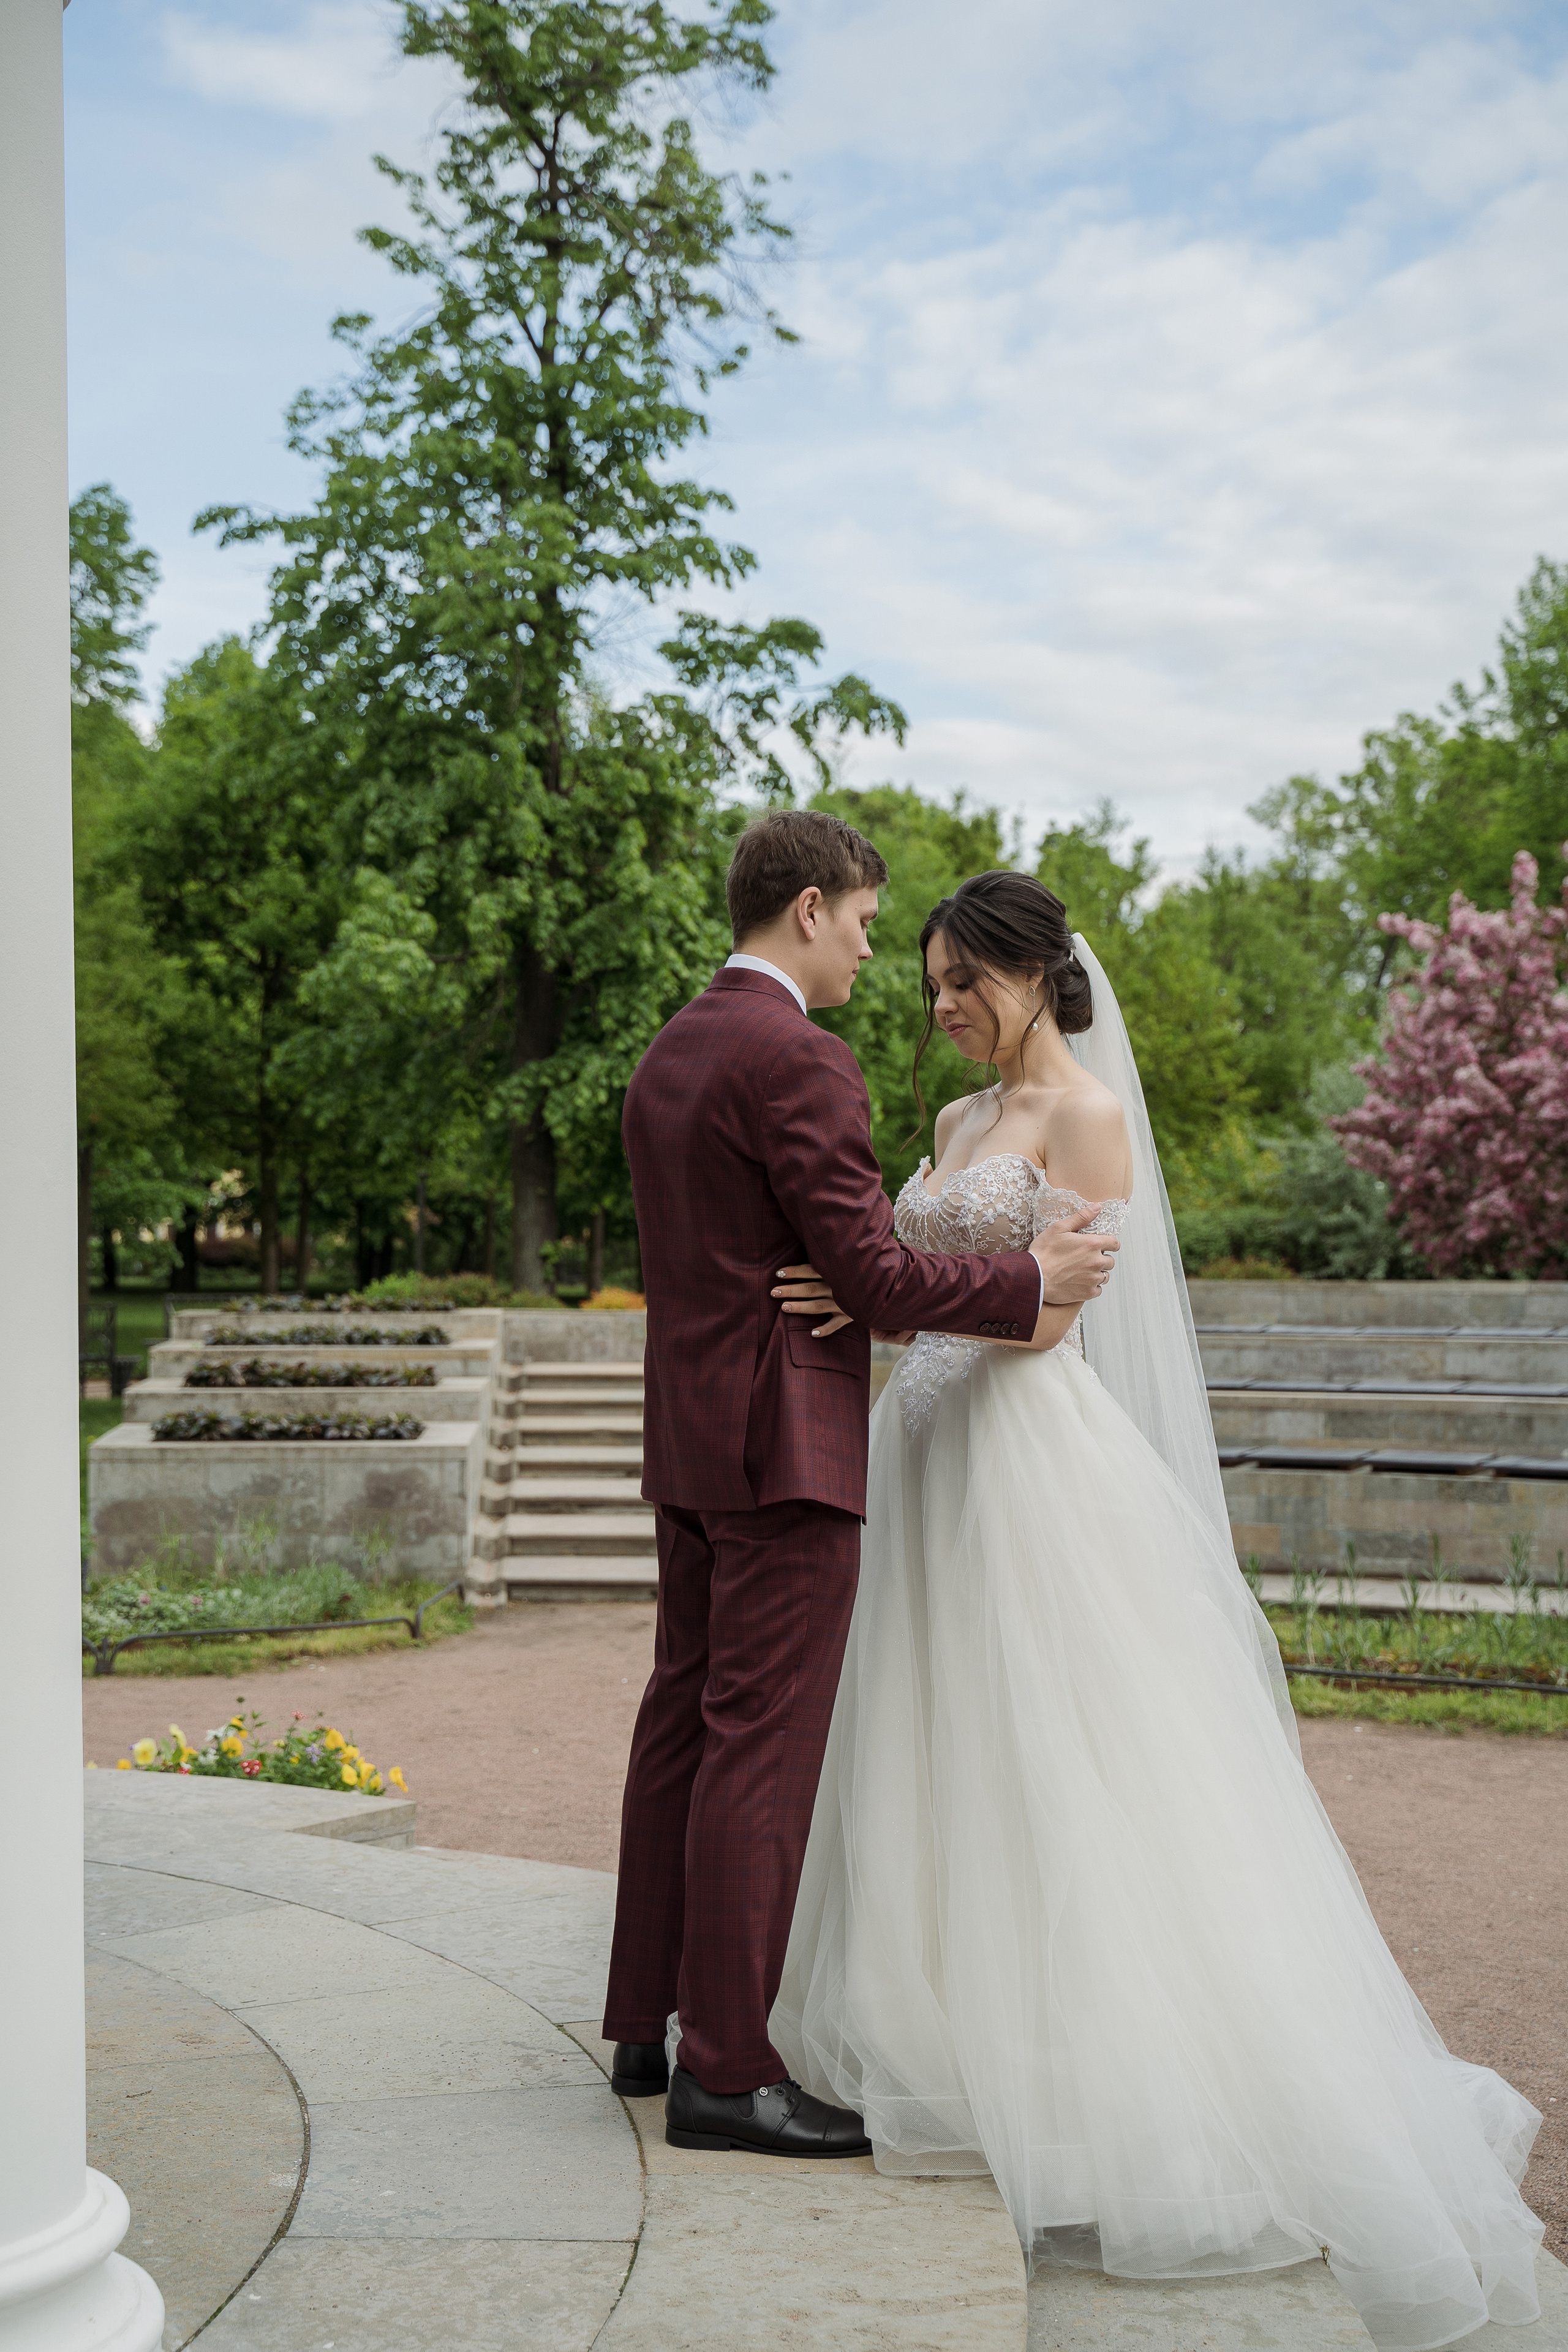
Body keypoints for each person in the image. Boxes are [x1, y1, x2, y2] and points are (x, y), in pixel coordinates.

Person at [770, 868, 1544, 2347]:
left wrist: (891, 1297)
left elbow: (1055, 1315)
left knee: (1071, 1768)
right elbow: (930, 1266)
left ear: (1032, 973)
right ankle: (957, 2049)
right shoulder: (945, 1128)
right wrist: (866, 1293)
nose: (940, 1010)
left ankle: (1108, 2092)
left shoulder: (1087, 1119)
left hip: (1025, 1464)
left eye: (960, 984)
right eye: (926, 983)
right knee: (936, 1755)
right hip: (920, 1452)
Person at [601, 813, 1120, 2159]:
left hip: (696, 1442)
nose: (887, 963)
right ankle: (729, 2072)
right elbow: (883, 1279)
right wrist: (1019, 1279)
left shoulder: (671, 1050)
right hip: (788, 1446)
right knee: (760, 1748)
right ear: (815, 908)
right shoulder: (801, 1059)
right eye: (877, 929)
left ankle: (641, 2025)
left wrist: (849, 1283)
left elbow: (812, 1260)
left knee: (681, 1724)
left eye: (950, 973)